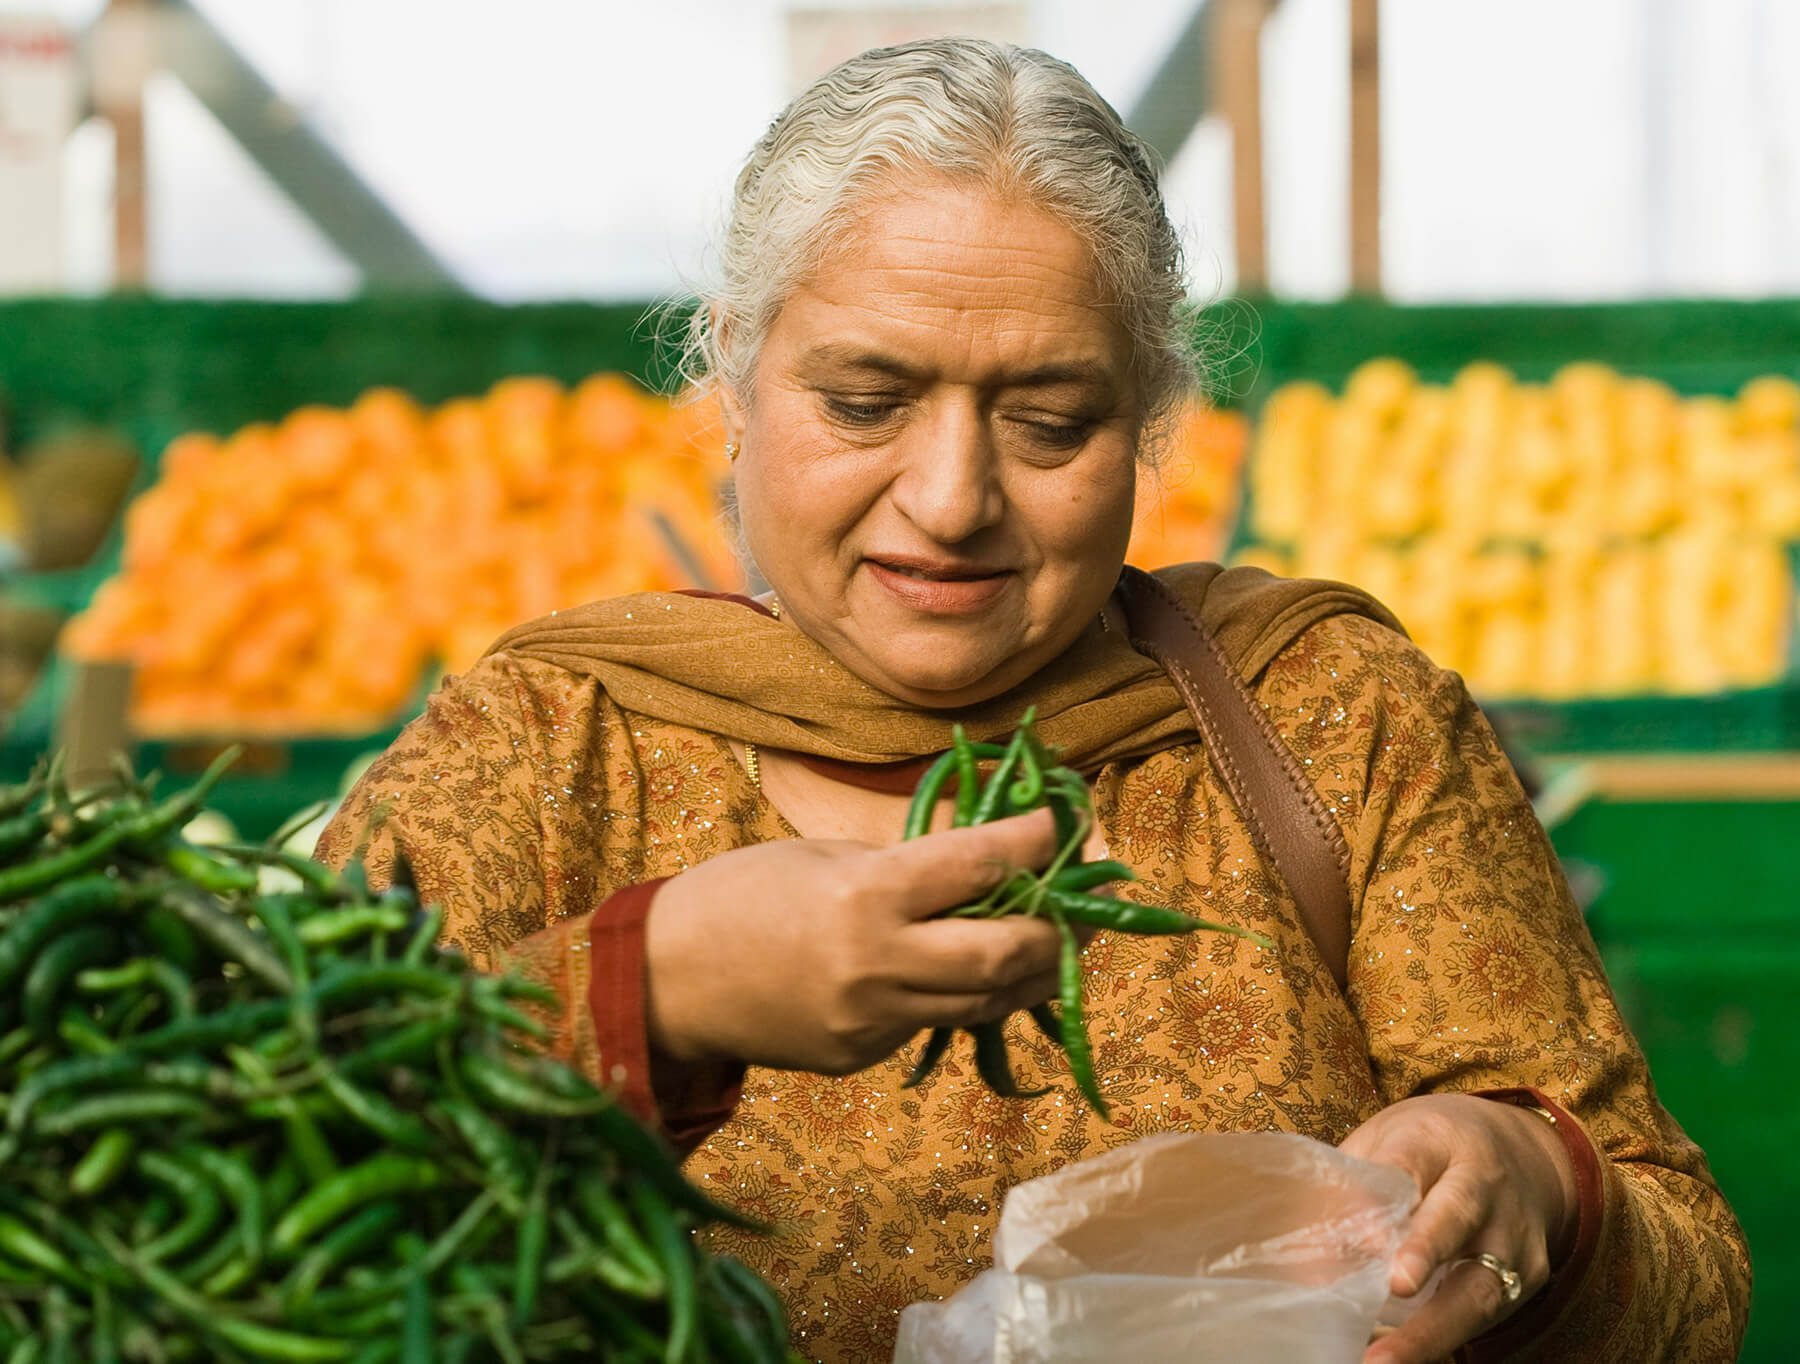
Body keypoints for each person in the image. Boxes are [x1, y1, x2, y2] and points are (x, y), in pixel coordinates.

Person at [317, 37, 1749, 1364]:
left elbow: (1691, 1286)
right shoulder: (542, 756)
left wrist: (1538, 1192)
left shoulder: (1328, 722)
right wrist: (647, 994)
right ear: (736, 385)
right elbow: (234, 1200)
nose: (950, 503)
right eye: (864, 403)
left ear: (1151, 422)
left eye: (1051, 422)